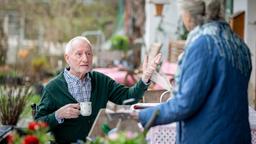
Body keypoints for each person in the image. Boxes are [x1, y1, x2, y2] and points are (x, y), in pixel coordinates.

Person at [133, 0, 252, 143]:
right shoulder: (239, 44)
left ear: (189, 16)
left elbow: (185, 104)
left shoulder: (203, 45)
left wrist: (140, 116)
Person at [35, 36, 161, 143]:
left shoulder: (101, 81)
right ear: (67, 58)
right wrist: (58, 115)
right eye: (79, 54)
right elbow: (37, 125)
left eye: (88, 54)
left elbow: (128, 96)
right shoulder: (53, 88)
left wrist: (144, 79)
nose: (85, 59)